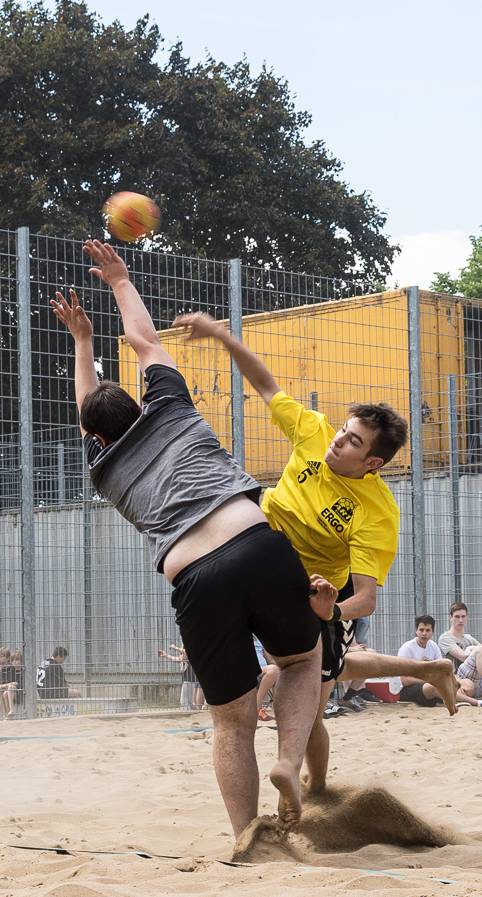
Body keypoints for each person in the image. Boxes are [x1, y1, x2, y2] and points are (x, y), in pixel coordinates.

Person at [53, 243, 329, 838]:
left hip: (194, 577)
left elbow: (87, 407)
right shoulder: (172, 407)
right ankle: (288, 759)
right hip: (253, 538)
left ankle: (245, 836)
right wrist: (121, 282)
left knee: (230, 725)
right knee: (302, 661)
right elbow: (148, 344)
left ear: (92, 436)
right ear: (141, 400)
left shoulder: (105, 470)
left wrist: (81, 344)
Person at [170, 310, 408, 792]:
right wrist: (220, 334)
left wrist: (330, 610)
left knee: (309, 710)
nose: (338, 440)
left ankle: (313, 789)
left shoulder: (378, 512)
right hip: (256, 555)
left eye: (353, 442)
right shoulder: (316, 432)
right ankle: (293, 774)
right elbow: (264, 382)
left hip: (310, 594)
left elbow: (366, 599)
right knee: (277, 689)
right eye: (344, 430)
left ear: (373, 462)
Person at [159, 643, 202, 709]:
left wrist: (175, 648)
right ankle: (195, 712)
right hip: (189, 681)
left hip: (189, 680)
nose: (182, 655)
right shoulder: (185, 657)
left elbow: (186, 652)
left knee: (183, 701)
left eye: (182, 653)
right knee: (189, 702)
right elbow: (178, 659)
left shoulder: (191, 653)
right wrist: (166, 655)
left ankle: (188, 714)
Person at [254, 637, 280, 720]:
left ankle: (277, 710)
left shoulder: (259, 638)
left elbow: (269, 659)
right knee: (273, 670)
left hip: (263, 669)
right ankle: (257, 707)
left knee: (279, 672)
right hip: (248, 669)